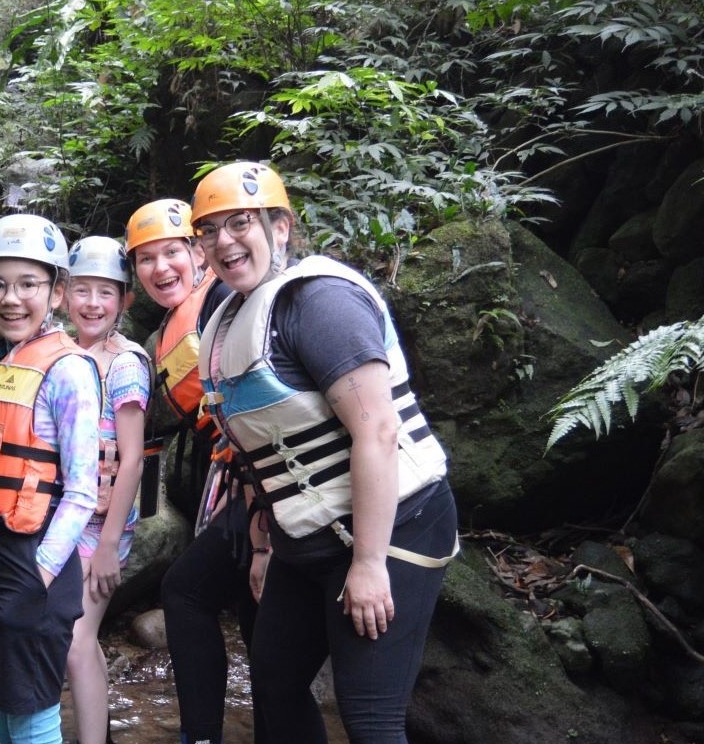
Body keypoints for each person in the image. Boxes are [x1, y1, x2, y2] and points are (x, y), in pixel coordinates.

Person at [193, 162, 458, 744]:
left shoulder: (317, 301)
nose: (224, 242)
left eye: (240, 223)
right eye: (209, 231)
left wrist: (369, 565)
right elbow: (262, 455)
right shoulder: (232, 318)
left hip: (394, 531)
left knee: (369, 716)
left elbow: (377, 432)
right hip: (303, 542)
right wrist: (264, 548)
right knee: (276, 683)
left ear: (280, 226)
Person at [0, 214, 101, 744]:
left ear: (57, 292)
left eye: (29, 284)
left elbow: (83, 489)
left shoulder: (69, 370)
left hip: (32, 555)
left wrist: (40, 570)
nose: (12, 299)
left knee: (32, 707)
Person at [125, 199, 258, 744]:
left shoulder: (227, 301)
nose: (161, 269)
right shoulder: (173, 329)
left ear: (199, 254)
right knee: (233, 606)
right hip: (238, 485)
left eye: (172, 253)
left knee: (189, 593)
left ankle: (202, 734)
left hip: (262, 487)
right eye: (146, 259)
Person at [61, 237, 150, 744]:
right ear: (65, 294)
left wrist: (111, 544)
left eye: (106, 293)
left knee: (75, 639)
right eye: (82, 290)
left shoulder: (126, 364)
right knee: (80, 638)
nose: (92, 303)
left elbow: (132, 457)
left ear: (124, 301)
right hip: (64, 517)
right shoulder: (64, 351)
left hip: (102, 524)